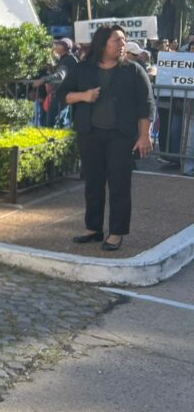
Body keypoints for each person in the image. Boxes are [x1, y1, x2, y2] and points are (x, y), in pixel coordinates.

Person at [62, 25, 153, 251]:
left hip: (121, 137)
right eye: (117, 40)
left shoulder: (133, 70)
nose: (122, 44)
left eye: (124, 40)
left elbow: (146, 105)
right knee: (93, 183)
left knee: (119, 185)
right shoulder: (84, 69)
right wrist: (84, 96)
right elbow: (63, 95)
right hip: (90, 134)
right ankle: (93, 228)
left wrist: (145, 135)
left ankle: (116, 232)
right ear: (103, 44)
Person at [31, 38, 79, 127]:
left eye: (58, 44)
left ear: (64, 47)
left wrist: (42, 80)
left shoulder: (67, 60)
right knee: (59, 122)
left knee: (50, 122)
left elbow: (60, 75)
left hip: (63, 95)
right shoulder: (67, 59)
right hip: (66, 95)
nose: (55, 46)